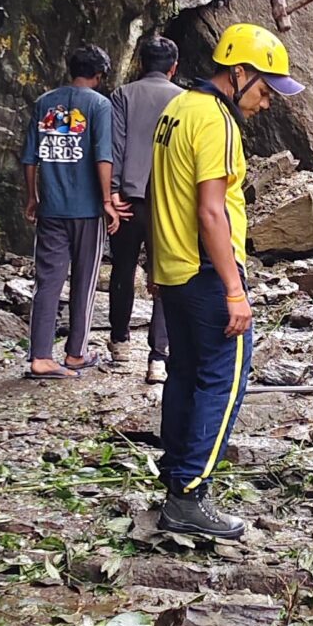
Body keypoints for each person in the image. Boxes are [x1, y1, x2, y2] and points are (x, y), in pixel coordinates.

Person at [147, 21, 304, 541]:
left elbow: (159, 193)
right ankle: (190, 494)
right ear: (238, 73)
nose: (266, 103)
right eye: (264, 89)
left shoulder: (178, 109)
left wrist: (155, 264)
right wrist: (235, 289)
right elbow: (210, 212)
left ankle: (175, 476)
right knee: (226, 380)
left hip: (176, 269)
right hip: (209, 271)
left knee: (186, 375)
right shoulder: (216, 121)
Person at [22, 46, 120, 377]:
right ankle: (75, 353)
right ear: (100, 75)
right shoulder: (99, 105)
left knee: (47, 280)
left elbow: (30, 158)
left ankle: (39, 355)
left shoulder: (43, 103)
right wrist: (107, 201)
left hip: (50, 207)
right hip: (87, 209)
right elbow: (102, 156)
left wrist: (32, 197)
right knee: (84, 280)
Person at [107, 35, 180, 384]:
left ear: (140, 63)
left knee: (122, 271)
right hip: (167, 203)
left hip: (127, 200)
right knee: (164, 277)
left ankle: (119, 343)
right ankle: (158, 357)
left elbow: (116, 144)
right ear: (173, 67)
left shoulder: (123, 95)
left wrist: (114, 191)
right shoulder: (183, 100)